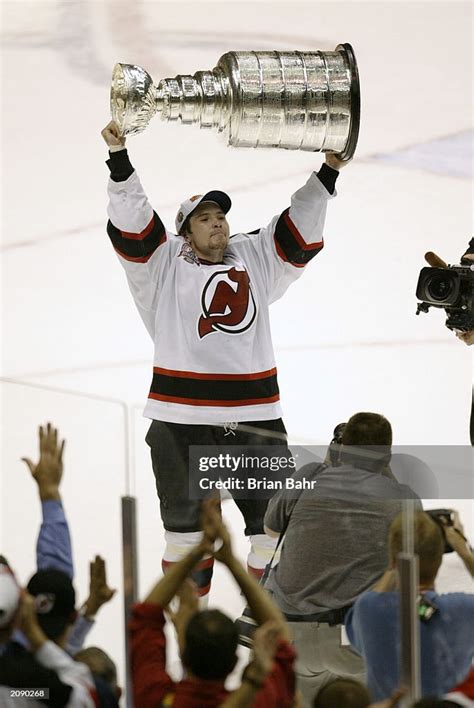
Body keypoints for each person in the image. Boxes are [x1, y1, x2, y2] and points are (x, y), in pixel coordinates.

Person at [101, 119, 350, 596]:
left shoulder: (251, 255)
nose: (217, 222)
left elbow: (296, 229)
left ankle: (260, 614)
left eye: (220, 215)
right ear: (185, 232)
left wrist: (328, 172)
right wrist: (119, 158)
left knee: (271, 530)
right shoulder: (163, 264)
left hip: (253, 417)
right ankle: (191, 616)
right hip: (180, 419)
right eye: (203, 217)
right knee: (185, 536)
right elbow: (134, 221)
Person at [263, 411, 421, 707]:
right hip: (355, 640)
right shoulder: (402, 498)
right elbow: (419, 557)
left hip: (292, 633)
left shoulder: (310, 476)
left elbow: (271, 529)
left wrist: (327, 468)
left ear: (340, 449)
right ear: (387, 458)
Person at [129, 499, 296, 707]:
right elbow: (280, 636)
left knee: (182, 539)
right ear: (235, 663)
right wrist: (231, 561)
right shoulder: (261, 701)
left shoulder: (156, 698)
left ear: (182, 652)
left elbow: (146, 615)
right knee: (266, 544)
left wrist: (198, 550)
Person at [345, 510, 474, 702]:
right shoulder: (462, 609)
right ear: (439, 560)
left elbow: (370, 604)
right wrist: (463, 550)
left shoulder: (368, 609)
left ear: (393, 562)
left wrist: (397, 560)